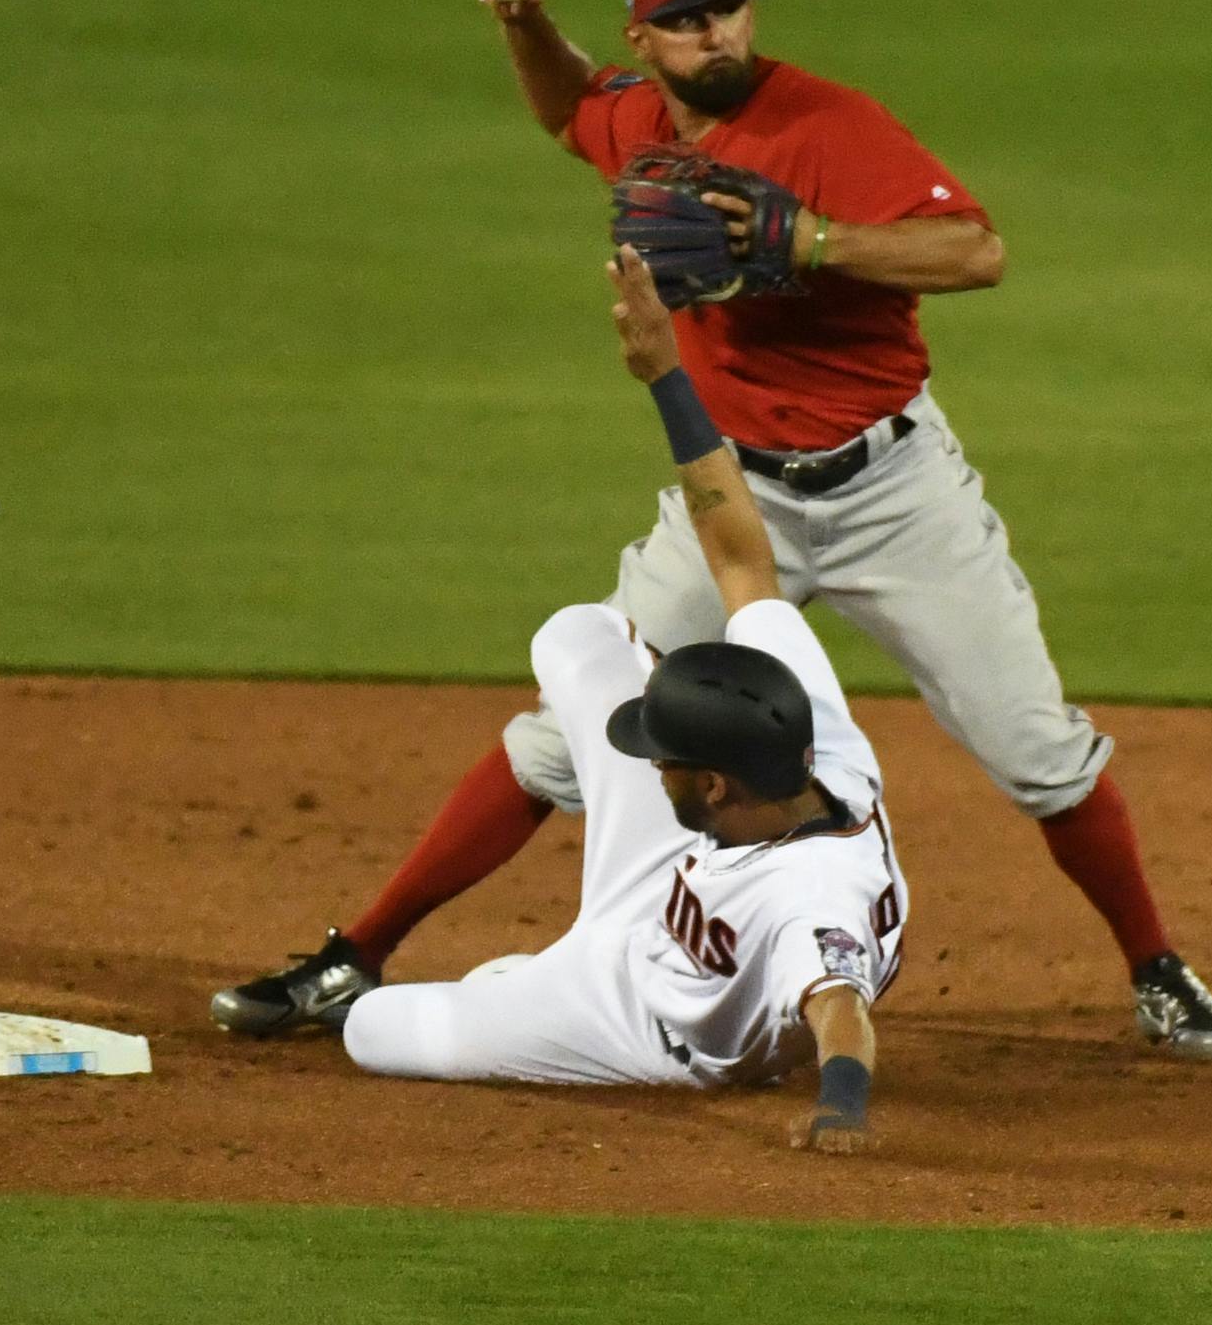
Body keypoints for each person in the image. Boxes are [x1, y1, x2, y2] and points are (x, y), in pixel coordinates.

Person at [214, 0, 1212, 1062]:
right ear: (643, 38)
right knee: (564, 744)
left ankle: (1157, 968)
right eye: (687, 20)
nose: (716, 34)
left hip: (895, 489)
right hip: (730, 495)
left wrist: (813, 241)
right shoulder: (642, 127)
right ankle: (358, 950)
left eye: (729, 10)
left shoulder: (828, 125)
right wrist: (521, 25)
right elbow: (569, 111)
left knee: (1037, 748)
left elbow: (974, 251)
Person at [343, 245, 903, 1154]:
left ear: (713, 782)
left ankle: (520, 991)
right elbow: (739, 555)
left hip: (640, 1022)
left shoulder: (810, 898)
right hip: (684, 871)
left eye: (661, 756)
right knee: (576, 637)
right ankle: (523, 976)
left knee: (373, 1031)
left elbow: (840, 1010)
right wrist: (668, 377)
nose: (649, 757)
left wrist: (842, 1107)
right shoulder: (815, 737)